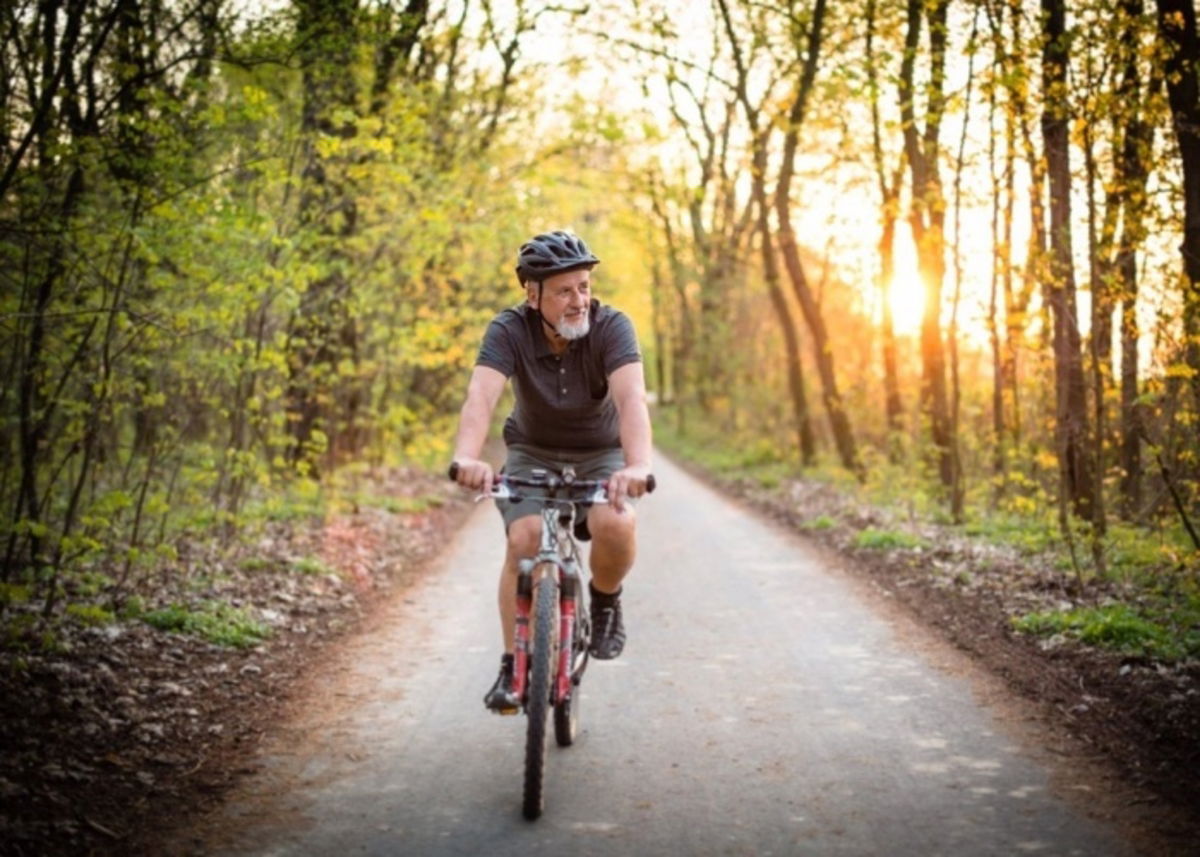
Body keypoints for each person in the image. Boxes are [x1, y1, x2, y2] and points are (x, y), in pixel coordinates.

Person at [450, 230, 654, 713]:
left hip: (600, 453)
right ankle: (511, 664)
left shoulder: (612, 327)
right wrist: (467, 456)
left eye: (583, 286)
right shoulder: (508, 330)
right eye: (564, 290)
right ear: (532, 294)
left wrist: (638, 464)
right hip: (533, 452)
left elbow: (631, 399)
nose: (578, 299)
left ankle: (604, 599)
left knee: (616, 524)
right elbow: (481, 395)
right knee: (522, 540)